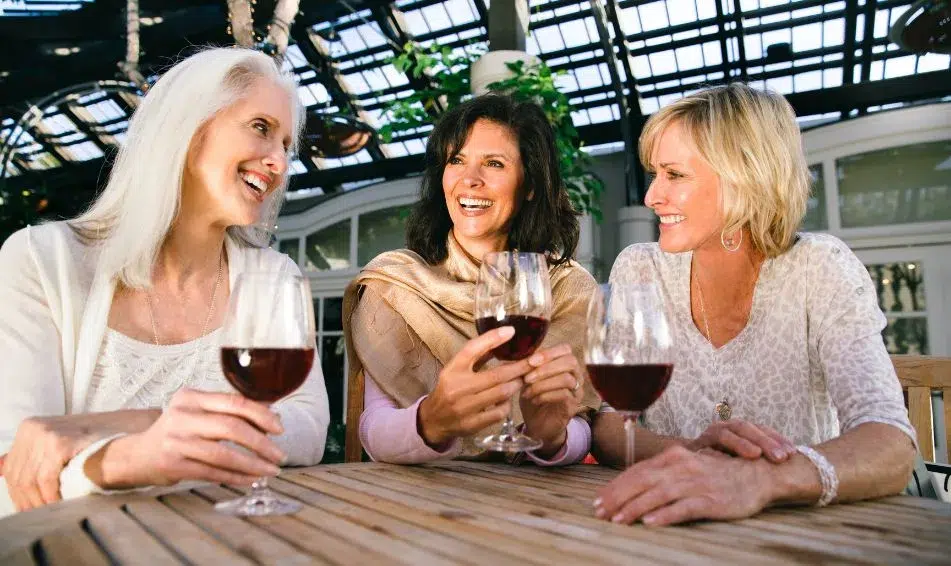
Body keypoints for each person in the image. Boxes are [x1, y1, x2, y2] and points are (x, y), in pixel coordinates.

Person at [0, 47, 329, 516]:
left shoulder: (274, 276)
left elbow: (309, 426)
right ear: (189, 128)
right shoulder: (40, 261)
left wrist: (135, 425)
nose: (278, 162)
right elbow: (17, 469)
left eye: (286, 146)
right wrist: (130, 458)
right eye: (261, 128)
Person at [591, 83, 916, 526]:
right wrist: (691, 455)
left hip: (805, 535)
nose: (651, 197)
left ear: (745, 177)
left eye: (675, 175)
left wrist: (757, 480)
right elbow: (609, 426)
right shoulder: (641, 269)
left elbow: (891, 443)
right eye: (654, 174)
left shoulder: (819, 267)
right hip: (667, 527)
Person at [343, 95, 601, 465]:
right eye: (457, 160)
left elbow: (582, 427)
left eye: (493, 163)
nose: (470, 179)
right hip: (420, 502)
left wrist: (550, 436)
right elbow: (373, 429)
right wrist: (431, 419)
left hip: (533, 507)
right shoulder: (395, 285)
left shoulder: (568, 289)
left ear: (529, 185)